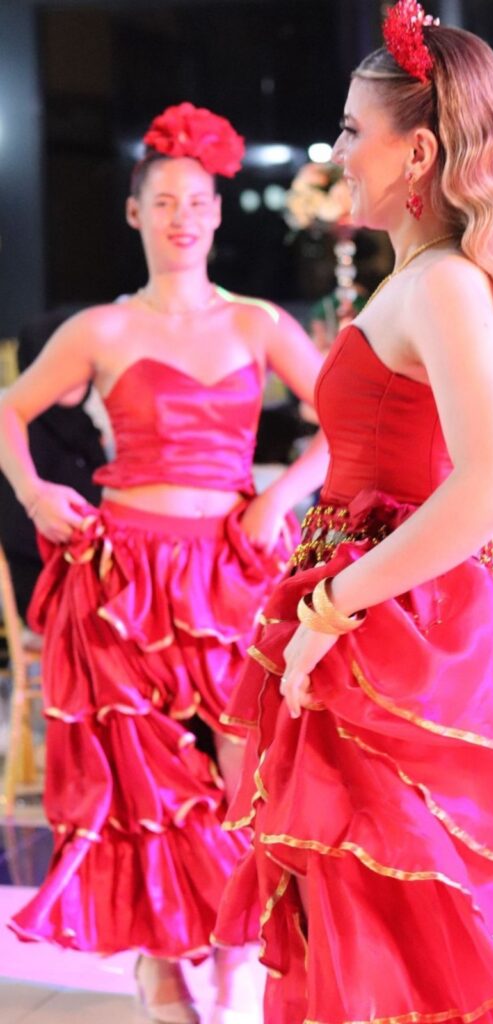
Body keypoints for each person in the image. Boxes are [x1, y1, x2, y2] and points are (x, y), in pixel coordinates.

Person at [212, 4, 493, 1022]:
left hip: (385, 627)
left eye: (349, 130)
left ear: (417, 152)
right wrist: (423, 526)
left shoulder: (444, 283)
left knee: (388, 904)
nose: (337, 151)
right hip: (399, 608)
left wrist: (340, 601)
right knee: (383, 904)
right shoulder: (439, 277)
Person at [0, 101, 327, 1024]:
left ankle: (232, 942)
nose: (183, 216)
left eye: (197, 201)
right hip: (124, 575)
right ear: (135, 214)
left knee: (242, 765)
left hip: (232, 567)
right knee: (140, 776)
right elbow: (8, 412)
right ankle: (159, 965)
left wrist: (278, 496)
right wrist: (35, 494)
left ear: (218, 214)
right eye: (165, 201)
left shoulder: (259, 323)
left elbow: (345, 427)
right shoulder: (100, 329)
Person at [0, 306, 106, 619]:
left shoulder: (88, 427)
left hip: (93, 568)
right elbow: (17, 529)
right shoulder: (18, 432)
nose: (73, 376)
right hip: (44, 576)